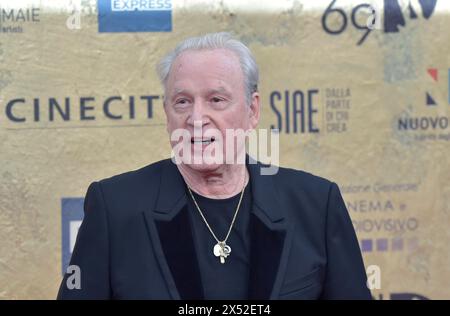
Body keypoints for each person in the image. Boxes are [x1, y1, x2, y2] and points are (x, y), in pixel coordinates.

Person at [57, 32, 372, 300]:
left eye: (216, 100)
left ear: (252, 110)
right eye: (182, 101)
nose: (196, 119)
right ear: (167, 113)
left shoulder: (316, 204)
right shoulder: (115, 207)